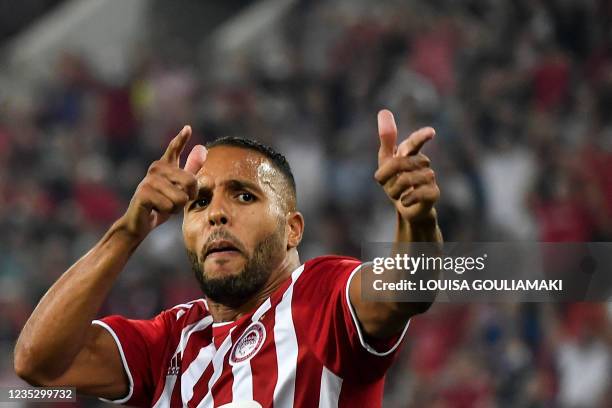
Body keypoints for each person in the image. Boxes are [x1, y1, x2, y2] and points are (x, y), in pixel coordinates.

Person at [14, 109, 442, 407]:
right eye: (199, 203)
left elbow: (410, 286)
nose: (217, 212)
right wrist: (128, 231)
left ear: (292, 229)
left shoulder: (320, 297)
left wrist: (416, 217)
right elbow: (37, 363)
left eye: (243, 195)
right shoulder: (171, 342)